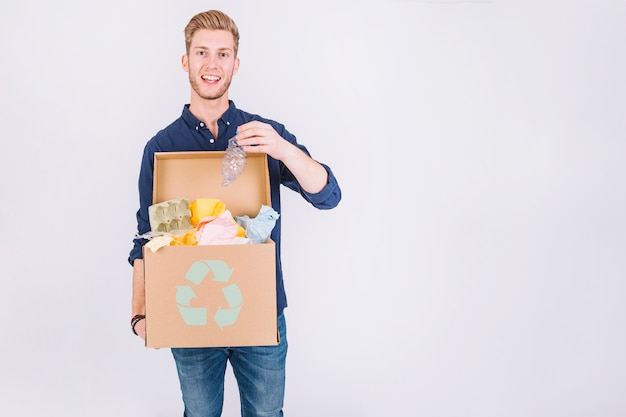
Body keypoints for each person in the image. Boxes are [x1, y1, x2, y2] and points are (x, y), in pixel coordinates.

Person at [128, 9, 342, 417]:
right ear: (185, 61)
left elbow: (327, 195)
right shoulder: (160, 147)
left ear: (236, 64)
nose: (212, 64)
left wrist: (283, 149)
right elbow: (145, 238)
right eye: (202, 52)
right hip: (188, 314)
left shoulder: (264, 135)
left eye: (223, 54)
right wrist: (139, 313)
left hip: (261, 313)